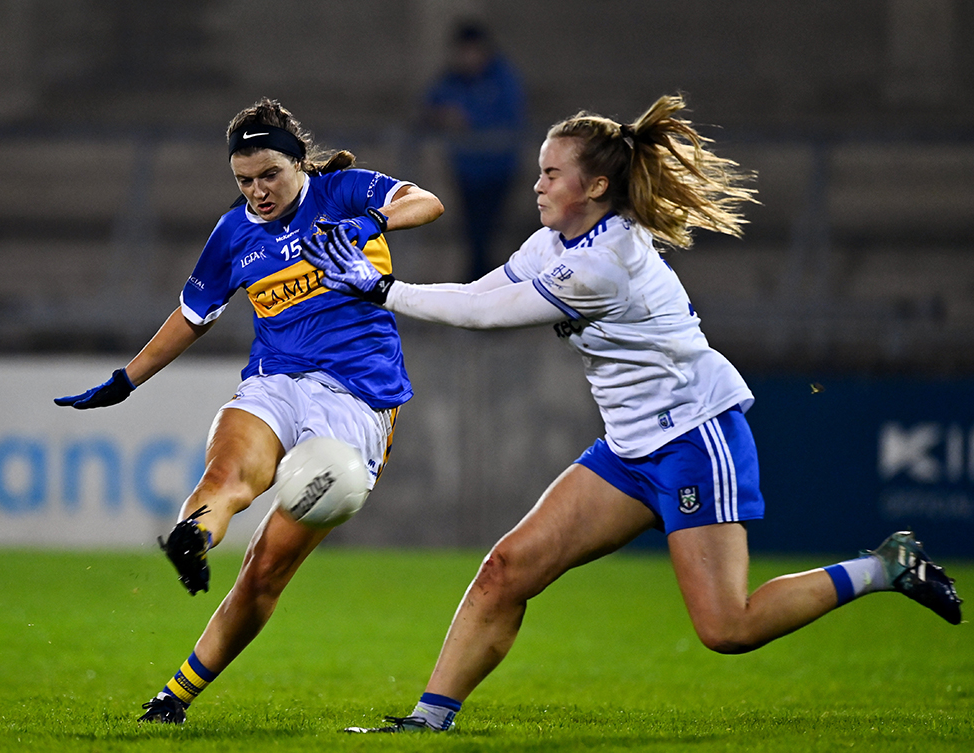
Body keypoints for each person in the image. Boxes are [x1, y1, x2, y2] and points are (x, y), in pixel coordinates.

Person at [303, 94, 964, 733]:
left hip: (694, 437)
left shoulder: (606, 264)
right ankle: (428, 719)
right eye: (539, 170)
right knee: (506, 569)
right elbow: (479, 293)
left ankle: (886, 567)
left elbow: (484, 317)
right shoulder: (553, 243)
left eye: (551, 173)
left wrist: (383, 288)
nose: (536, 184)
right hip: (628, 449)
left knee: (726, 627)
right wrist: (379, 285)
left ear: (592, 187)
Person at [54, 97, 444, 724]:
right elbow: (191, 317)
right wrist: (127, 380)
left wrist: (373, 223)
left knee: (265, 569)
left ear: (299, 163)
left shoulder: (343, 192)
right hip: (274, 382)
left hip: (356, 399)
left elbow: (427, 201)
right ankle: (195, 539)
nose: (257, 192)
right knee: (224, 481)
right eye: (243, 180)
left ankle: (178, 691)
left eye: (269, 176)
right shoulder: (234, 231)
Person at [422, 20, 525, 282]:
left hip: (498, 170)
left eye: (472, 51)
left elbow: (509, 118)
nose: (468, 58)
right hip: (466, 171)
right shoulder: (451, 79)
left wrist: (468, 119)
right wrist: (440, 116)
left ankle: (487, 284)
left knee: (489, 233)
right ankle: (479, 285)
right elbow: (429, 107)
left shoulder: (503, 78)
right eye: (462, 52)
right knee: (472, 233)